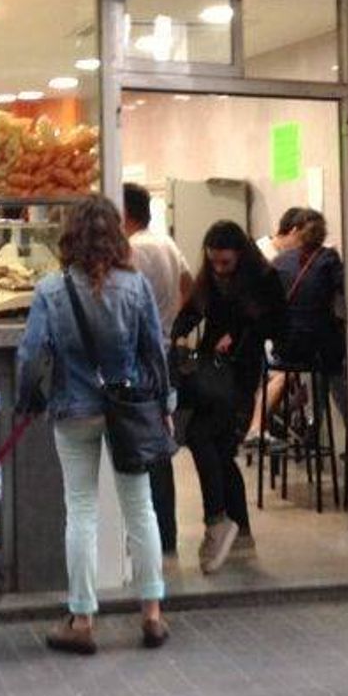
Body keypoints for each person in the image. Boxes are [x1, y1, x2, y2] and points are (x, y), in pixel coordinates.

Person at [15, 195, 172, 654]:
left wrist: (28, 402)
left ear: (70, 236)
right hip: (128, 410)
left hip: (73, 409)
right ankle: (152, 615)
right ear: (115, 236)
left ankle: (82, 619)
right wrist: (163, 403)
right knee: (139, 509)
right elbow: (154, 351)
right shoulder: (135, 285)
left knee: (80, 510)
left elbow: (30, 354)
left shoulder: (50, 289)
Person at [172, 221, 285, 574]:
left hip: (238, 375)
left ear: (240, 257)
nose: (219, 270)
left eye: (226, 264)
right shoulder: (210, 280)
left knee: (203, 437)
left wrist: (238, 335)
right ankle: (238, 531)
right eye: (214, 263)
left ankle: (219, 522)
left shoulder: (263, 280)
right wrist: (175, 334)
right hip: (212, 373)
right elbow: (192, 312)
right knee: (221, 451)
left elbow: (278, 325)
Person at [123, 182, 193, 560]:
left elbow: (120, 301)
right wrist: (170, 320)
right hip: (163, 354)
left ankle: (144, 541)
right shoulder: (166, 243)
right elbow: (188, 283)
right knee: (159, 449)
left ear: (123, 214)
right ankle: (165, 534)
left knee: (138, 450)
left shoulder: (134, 250)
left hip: (140, 359)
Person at [253, 210, 347, 442]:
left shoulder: (279, 261)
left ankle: (302, 422)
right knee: (337, 371)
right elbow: (347, 289)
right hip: (317, 351)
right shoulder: (328, 259)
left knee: (292, 373)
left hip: (283, 347)